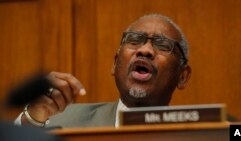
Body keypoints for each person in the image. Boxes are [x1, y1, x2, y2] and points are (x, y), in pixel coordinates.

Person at [15, 13, 192, 128]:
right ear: (115, 65)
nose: (145, 50)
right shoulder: (59, 121)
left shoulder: (204, 133)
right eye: (135, 40)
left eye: (162, 44)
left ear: (182, 76)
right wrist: (34, 116)